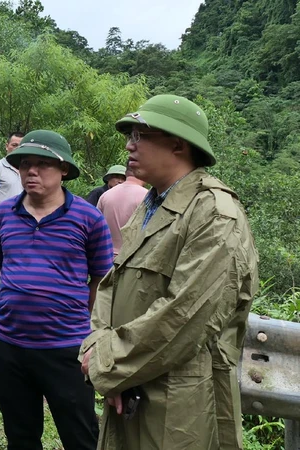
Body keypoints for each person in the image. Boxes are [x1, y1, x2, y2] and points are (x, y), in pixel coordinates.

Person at [79, 95, 259, 450]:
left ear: (178, 144)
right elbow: (109, 287)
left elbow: (186, 316)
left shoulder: (215, 213)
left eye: (140, 135)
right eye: (130, 135)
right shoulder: (151, 204)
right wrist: (100, 350)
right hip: (129, 386)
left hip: (178, 400)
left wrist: (107, 362)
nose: (129, 145)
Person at [0, 130, 113, 450]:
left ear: (63, 170)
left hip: (66, 348)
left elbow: (102, 280)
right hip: (10, 346)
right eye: (26, 163)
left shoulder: (89, 218)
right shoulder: (3, 215)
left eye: (43, 164)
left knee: (80, 437)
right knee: (20, 436)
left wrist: (87, 330)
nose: (32, 171)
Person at [97, 168, 148, 255]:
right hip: (133, 257)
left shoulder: (106, 195)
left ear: (126, 173)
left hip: (106, 256)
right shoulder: (148, 196)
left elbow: (95, 227)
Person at [0, 131, 25, 205]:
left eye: (21, 146)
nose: (17, 148)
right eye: (14, 145)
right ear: (7, 146)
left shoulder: (28, 171)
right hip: (0, 215)